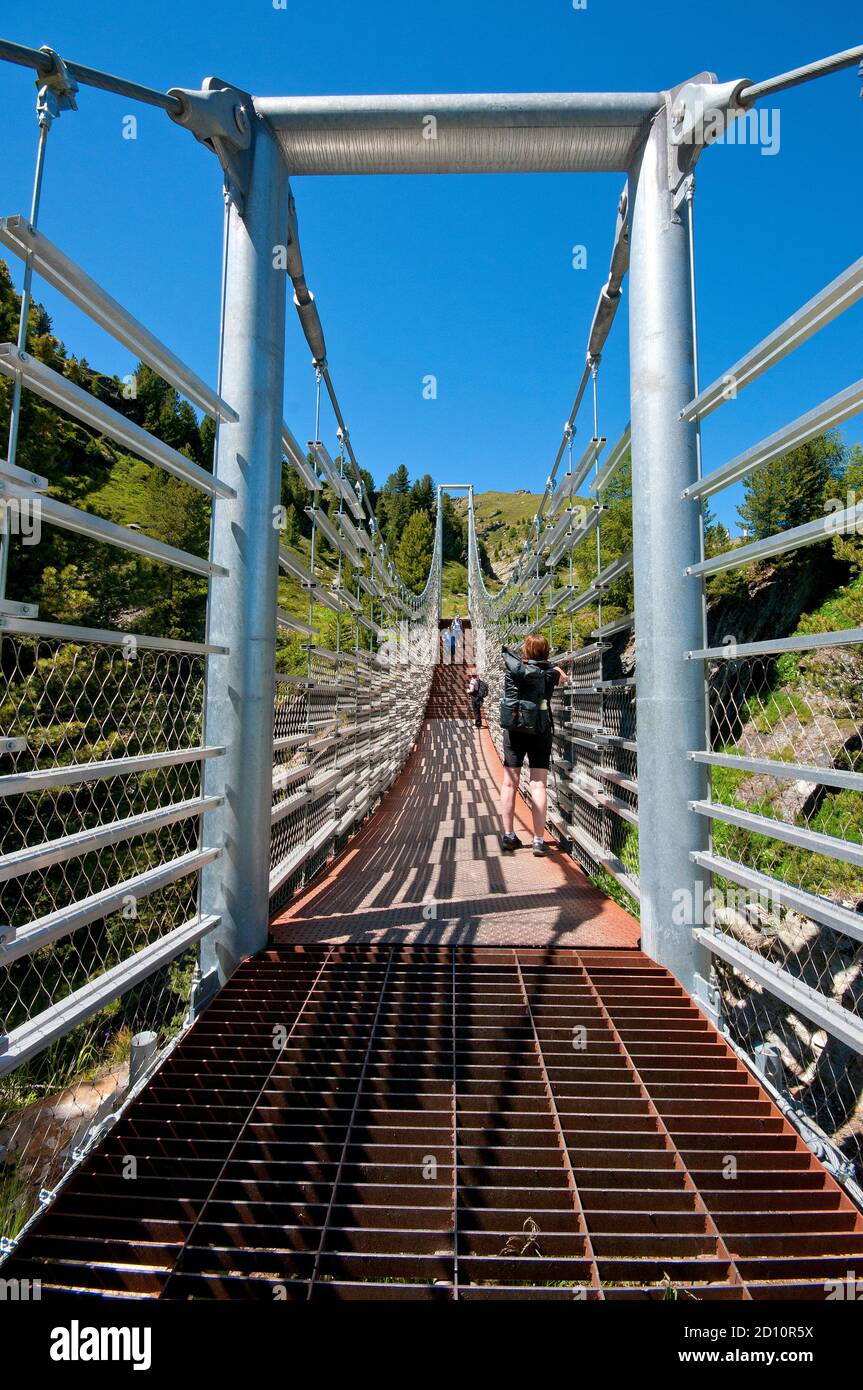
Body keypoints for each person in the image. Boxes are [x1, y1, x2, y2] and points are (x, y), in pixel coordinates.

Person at [498, 633, 568, 856]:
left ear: (525, 651)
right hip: (539, 729)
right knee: (538, 784)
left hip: (514, 728)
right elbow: (564, 678)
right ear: (546, 652)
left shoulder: (513, 668)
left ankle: (509, 836)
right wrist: (552, 665)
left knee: (510, 783)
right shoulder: (550, 673)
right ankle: (539, 840)